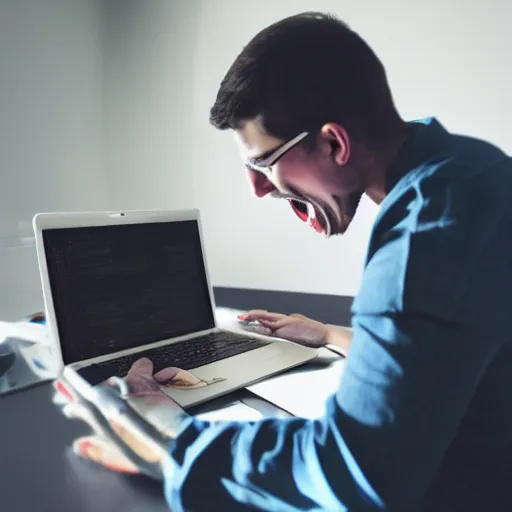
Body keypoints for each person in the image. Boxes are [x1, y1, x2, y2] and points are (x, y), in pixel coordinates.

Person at [67, 12, 512, 511]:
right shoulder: (473, 171)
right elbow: (453, 352)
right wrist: (328, 334)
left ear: (332, 142)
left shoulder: (427, 231)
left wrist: (170, 438)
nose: (258, 189)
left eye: (263, 163)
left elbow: (355, 476)